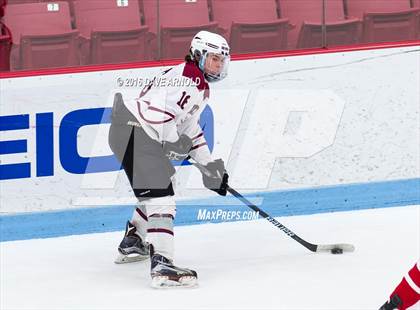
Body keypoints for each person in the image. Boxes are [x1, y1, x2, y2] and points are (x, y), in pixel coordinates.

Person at [108, 31, 230, 288]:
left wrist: (208, 167)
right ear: (198, 55)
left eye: (221, 61)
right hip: (135, 131)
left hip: (129, 130)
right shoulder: (189, 79)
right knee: (161, 195)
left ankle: (134, 241)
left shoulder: (195, 83)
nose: (218, 66)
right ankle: (162, 264)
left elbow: (190, 130)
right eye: (214, 59)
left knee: (162, 185)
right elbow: (162, 118)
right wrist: (174, 142)